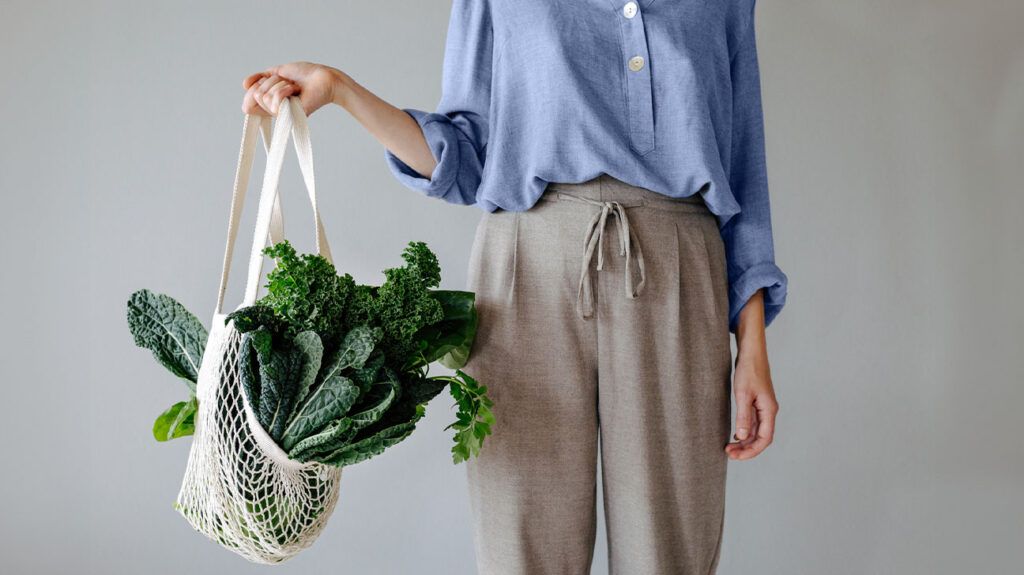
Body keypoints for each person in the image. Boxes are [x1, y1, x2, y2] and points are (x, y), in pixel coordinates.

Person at [242, 1, 787, 572]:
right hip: (527, 266)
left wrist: (752, 344)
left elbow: (744, 168)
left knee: (670, 550)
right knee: (521, 547)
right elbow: (464, 157)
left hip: (677, 269)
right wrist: (340, 89)